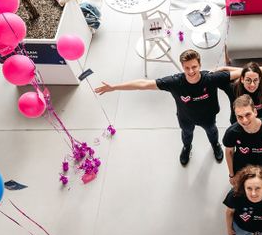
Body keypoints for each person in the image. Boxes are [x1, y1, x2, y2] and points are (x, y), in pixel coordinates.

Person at [95, 49, 239, 166]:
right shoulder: (175, 82)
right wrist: (114, 87)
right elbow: (143, 84)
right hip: (186, 118)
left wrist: (261, 68)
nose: (190, 71)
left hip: (208, 117)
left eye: (194, 67)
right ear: (182, 67)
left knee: (212, 132)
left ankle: (215, 146)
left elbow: (242, 73)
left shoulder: (211, 78)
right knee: (187, 135)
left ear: (199, 65)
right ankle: (187, 148)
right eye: (187, 68)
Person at [223, 95, 262, 180]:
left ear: (255, 112)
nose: (244, 120)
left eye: (248, 114)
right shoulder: (231, 132)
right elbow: (229, 152)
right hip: (242, 169)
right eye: (239, 117)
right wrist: (232, 175)